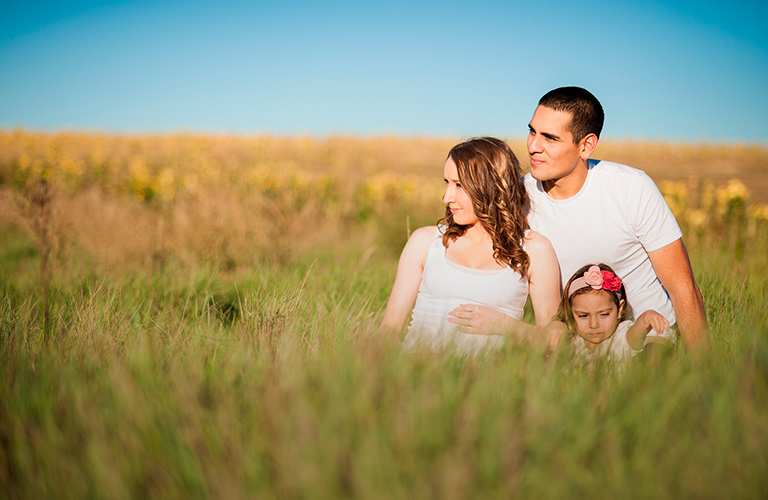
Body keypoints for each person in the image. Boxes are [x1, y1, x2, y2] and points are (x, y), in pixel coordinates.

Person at [523, 86, 708, 352]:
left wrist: (703, 375)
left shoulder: (631, 188)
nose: (533, 146)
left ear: (585, 145)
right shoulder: (519, 196)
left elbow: (683, 288)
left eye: (550, 138)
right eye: (532, 131)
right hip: (575, 344)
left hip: (648, 340)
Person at [378, 137, 560, 356]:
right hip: (418, 377)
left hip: (490, 385)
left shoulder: (534, 249)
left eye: (459, 185)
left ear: (491, 186)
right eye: (447, 182)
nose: (447, 197)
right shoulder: (425, 242)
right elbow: (388, 332)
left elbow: (556, 340)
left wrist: (504, 325)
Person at [543, 264, 671, 366]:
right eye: (583, 316)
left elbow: (635, 335)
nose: (594, 324)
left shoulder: (620, 337)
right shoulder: (572, 340)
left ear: (619, 309)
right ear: (570, 313)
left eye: (604, 314)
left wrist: (646, 318)